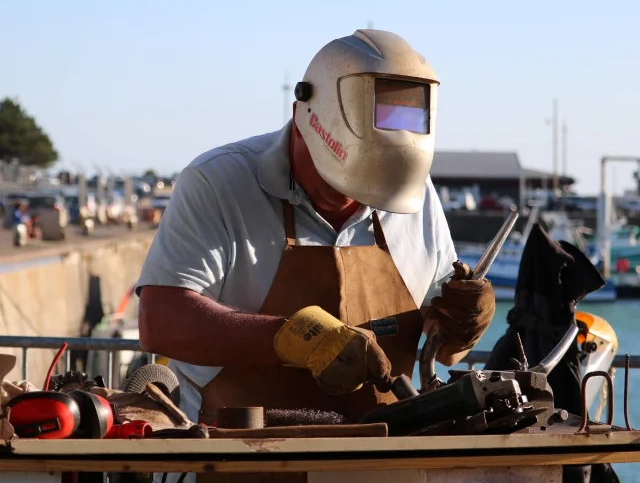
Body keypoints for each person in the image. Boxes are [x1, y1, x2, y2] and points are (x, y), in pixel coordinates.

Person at [136, 29, 495, 483]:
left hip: (381, 470)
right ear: (303, 117)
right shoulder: (217, 184)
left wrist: (461, 323)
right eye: (338, 181)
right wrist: (293, 338)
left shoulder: (414, 196)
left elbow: (440, 341)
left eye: (370, 193)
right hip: (236, 461)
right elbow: (162, 320)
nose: (352, 201)